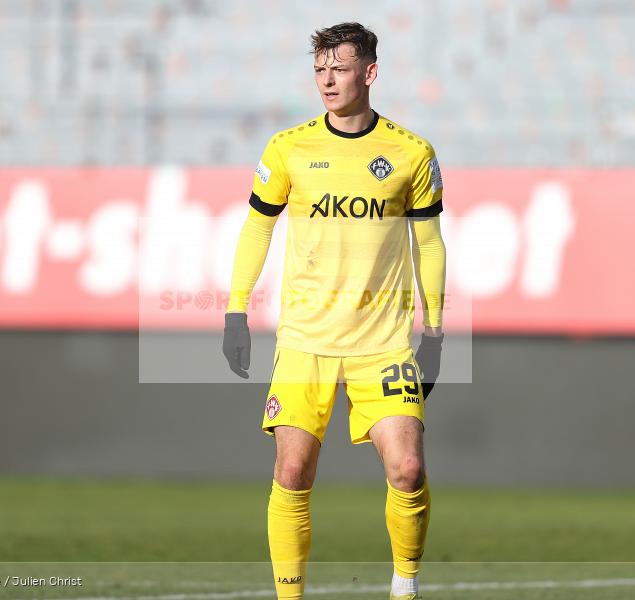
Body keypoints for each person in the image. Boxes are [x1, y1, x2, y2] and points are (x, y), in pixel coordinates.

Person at [222, 22, 446, 600]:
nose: (326, 79)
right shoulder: (288, 147)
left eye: (339, 68)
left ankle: (405, 587)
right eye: (319, 67)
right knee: (292, 474)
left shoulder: (411, 153)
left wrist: (436, 333)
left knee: (409, 471)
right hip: (305, 341)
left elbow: (428, 244)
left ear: (369, 73)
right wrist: (235, 312)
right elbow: (256, 229)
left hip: (385, 343)